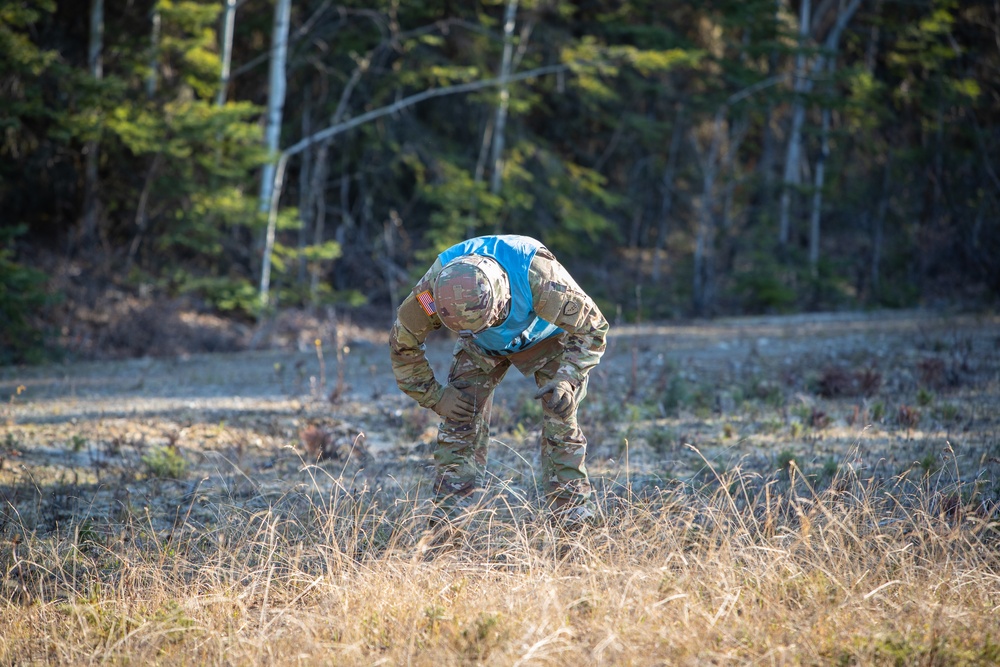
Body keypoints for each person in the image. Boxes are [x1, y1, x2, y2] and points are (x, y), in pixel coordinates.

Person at [389, 234, 609, 529]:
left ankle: (574, 524)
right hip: (479, 345)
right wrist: (436, 397)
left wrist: (567, 380)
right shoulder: (432, 294)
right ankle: (446, 530)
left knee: (561, 416)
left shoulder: (540, 278)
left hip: (546, 339)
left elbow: (592, 329)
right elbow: (402, 343)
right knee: (459, 421)